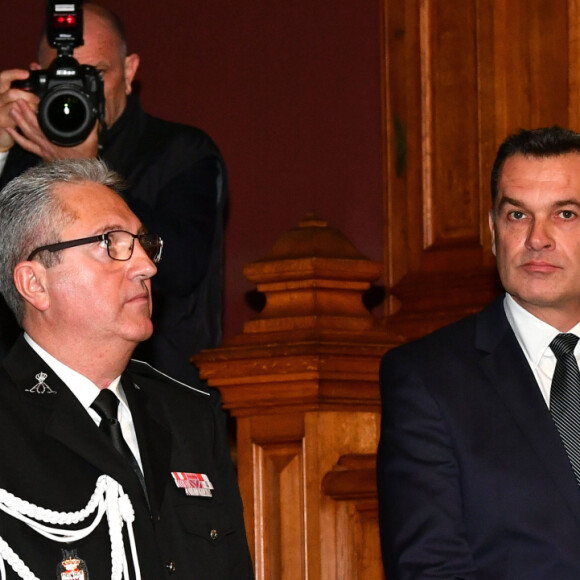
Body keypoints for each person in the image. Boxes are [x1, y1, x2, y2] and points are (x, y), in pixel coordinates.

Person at [0, 158, 253, 579]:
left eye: (142, 243)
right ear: (35, 284)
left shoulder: (189, 414)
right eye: (110, 243)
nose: (147, 266)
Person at [377, 125, 580, 579]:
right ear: (492, 230)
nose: (537, 238)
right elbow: (429, 567)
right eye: (517, 216)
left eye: (565, 215)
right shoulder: (428, 378)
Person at [0, 2, 225, 384]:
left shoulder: (181, 151)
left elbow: (180, 269)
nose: (77, 92)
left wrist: (88, 171)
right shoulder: (19, 158)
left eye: (95, 74)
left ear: (129, 71)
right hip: (25, 399)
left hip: (155, 392)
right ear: (35, 78)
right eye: (62, 77)